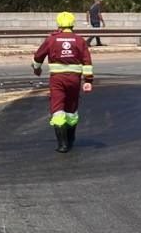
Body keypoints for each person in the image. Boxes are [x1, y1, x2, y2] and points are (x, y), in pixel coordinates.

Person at [32, 11, 94, 153]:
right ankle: (71, 140)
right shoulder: (80, 40)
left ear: (59, 24)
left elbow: (37, 57)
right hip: (74, 79)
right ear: (72, 24)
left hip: (57, 80)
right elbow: (87, 61)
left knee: (57, 107)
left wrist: (37, 69)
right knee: (71, 108)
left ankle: (63, 144)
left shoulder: (52, 39)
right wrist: (88, 80)